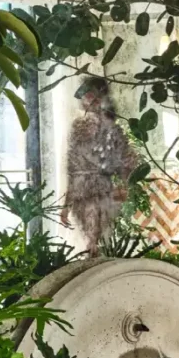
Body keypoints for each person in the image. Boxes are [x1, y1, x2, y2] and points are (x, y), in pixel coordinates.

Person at [61, 76, 140, 256]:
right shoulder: (81, 126)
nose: (85, 99)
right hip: (86, 192)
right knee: (91, 246)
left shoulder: (111, 129)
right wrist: (66, 204)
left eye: (89, 95)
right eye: (86, 95)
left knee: (93, 246)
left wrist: (124, 185)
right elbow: (72, 168)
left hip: (99, 193)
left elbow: (127, 161)